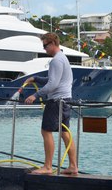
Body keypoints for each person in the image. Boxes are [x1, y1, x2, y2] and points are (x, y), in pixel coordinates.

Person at [24, 32, 78, 175]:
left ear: (53, 43)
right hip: (66, 101)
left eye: (45, 46)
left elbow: (52, 85)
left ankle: (47, 166)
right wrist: (35, 79)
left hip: (56, 102)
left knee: (46, 131)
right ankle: (73, 166)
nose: (44, 49)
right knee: (65, 133)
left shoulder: (56, 61)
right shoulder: (63, 58)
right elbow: (52, 79)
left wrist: (35, 95)